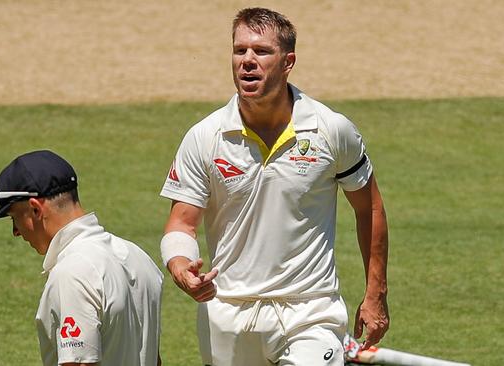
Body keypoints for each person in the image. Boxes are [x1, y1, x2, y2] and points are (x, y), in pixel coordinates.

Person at [159, 7, 389, 366]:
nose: (247, 61)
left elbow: (369, 208)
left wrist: (376, 292)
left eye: (262, 51)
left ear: (288, 62)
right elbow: (181, 223)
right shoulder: (204, 137)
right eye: (240, 50)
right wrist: (180, 265)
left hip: (310, 311)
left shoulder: (332, 129)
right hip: (228, 314)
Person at [0, 150, 163, 366]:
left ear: (34, 208)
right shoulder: (138, 257)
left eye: (14, 217)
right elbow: (153, 357)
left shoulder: (72, 273)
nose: (15, 231)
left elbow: (79, 363)